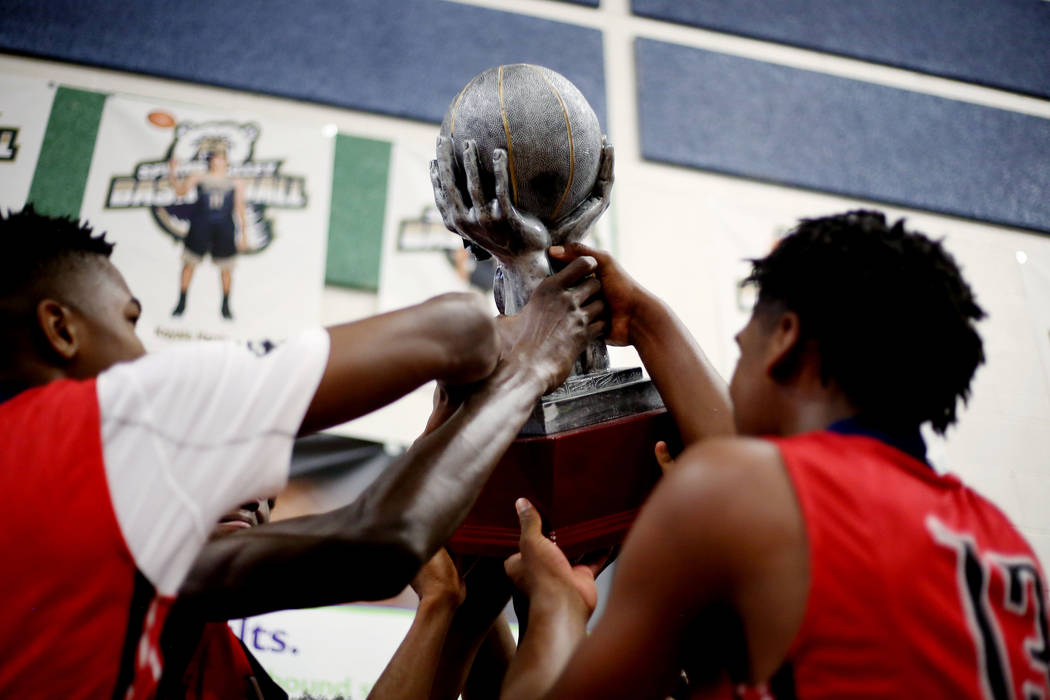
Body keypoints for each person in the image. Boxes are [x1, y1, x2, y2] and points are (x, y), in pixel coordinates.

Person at [0, 204, 604, 699]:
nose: (142, 352)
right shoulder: (100, 422)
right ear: (61, 329)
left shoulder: (122, 566)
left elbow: (372, 540)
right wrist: (530, 361)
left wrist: (447, 441)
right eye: (130, 322)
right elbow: (457, 329)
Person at [494, 211, 1050, 699]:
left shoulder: (737, 495)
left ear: (784, 337)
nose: (735, 350)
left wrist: (556, 602)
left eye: (747, 334)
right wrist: (639, 317)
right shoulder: (1005, 545)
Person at [168, 147, 248, 319]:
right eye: (214, 158)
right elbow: (180, 192)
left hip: (224, 227)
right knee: (189, 264)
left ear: (226, 161)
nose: (217, 161)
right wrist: (173, 172)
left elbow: (240, 208)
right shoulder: (199, 176)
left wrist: (244, 234)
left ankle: (226, 305)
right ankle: (181, 301)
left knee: (226, 268)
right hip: (201, 225)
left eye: (220, 158)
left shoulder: (236, 182)